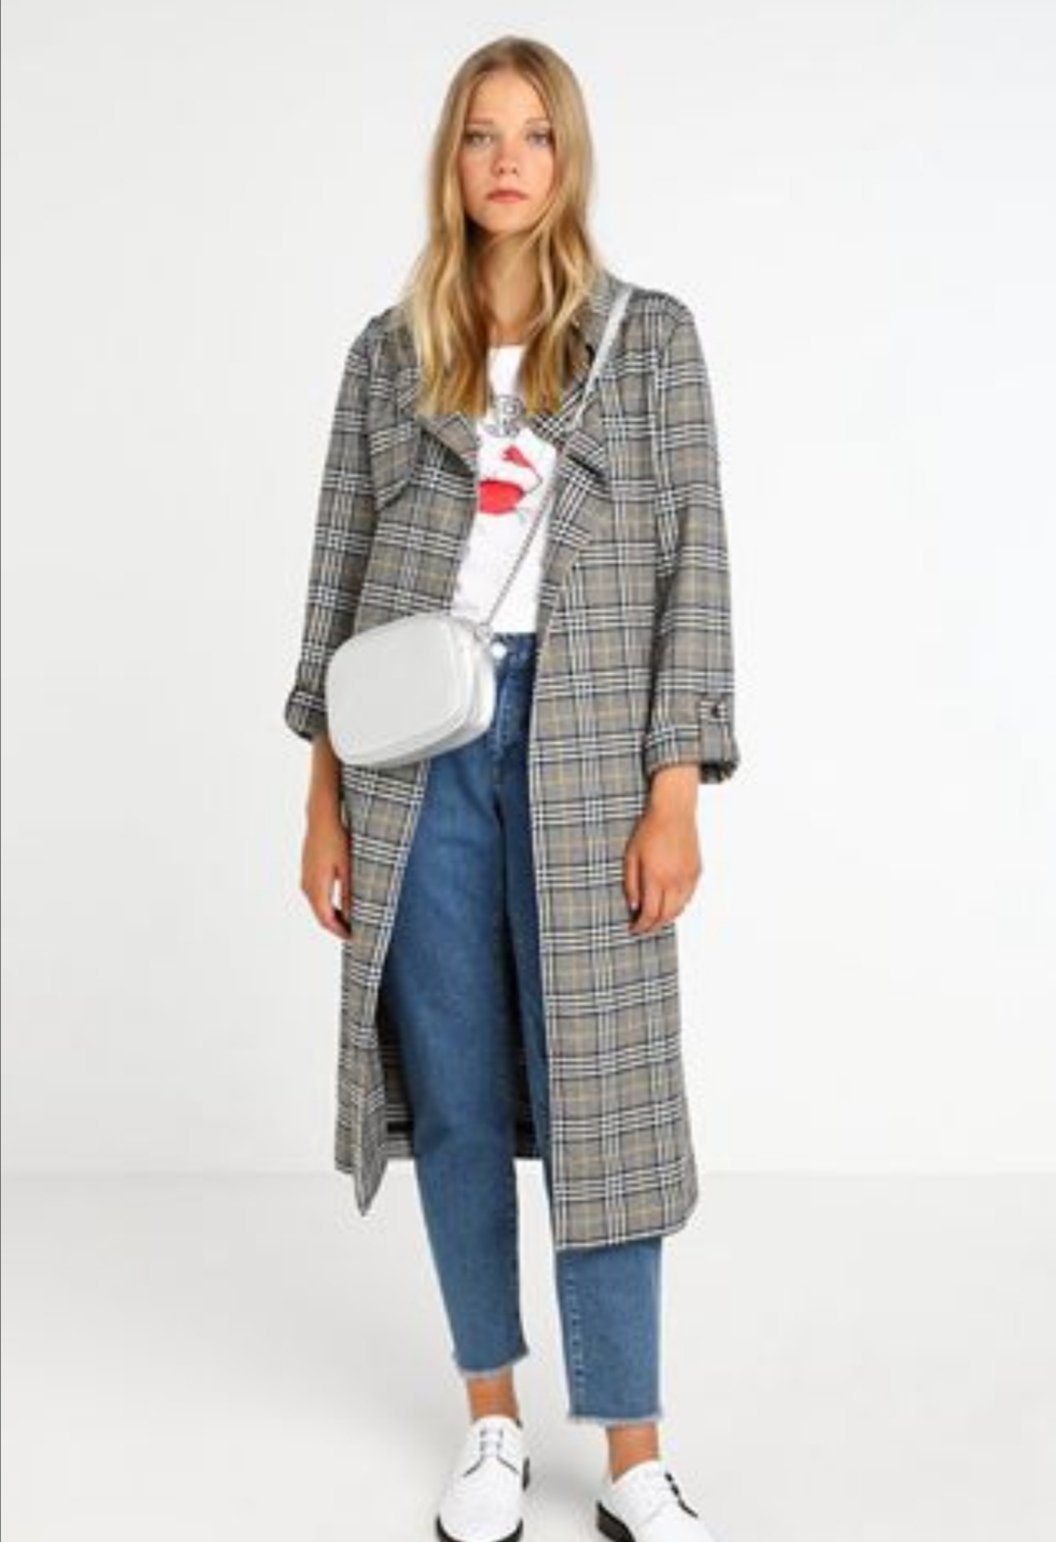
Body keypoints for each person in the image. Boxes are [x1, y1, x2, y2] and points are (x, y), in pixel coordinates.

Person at [284, 34, 740, 1542]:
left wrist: (675, 787)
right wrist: (323, 799)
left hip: (589, 742)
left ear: (567, 157)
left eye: (533, 134)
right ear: (453, 157)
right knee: (458, 1090)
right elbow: (338, 581)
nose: (505, 160)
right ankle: (491, 1421)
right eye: (481, 133)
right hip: (415, 754)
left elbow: (694, 567)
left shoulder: (647, 341)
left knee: (602, 1091)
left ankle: (631, 1452)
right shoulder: (387, 354)